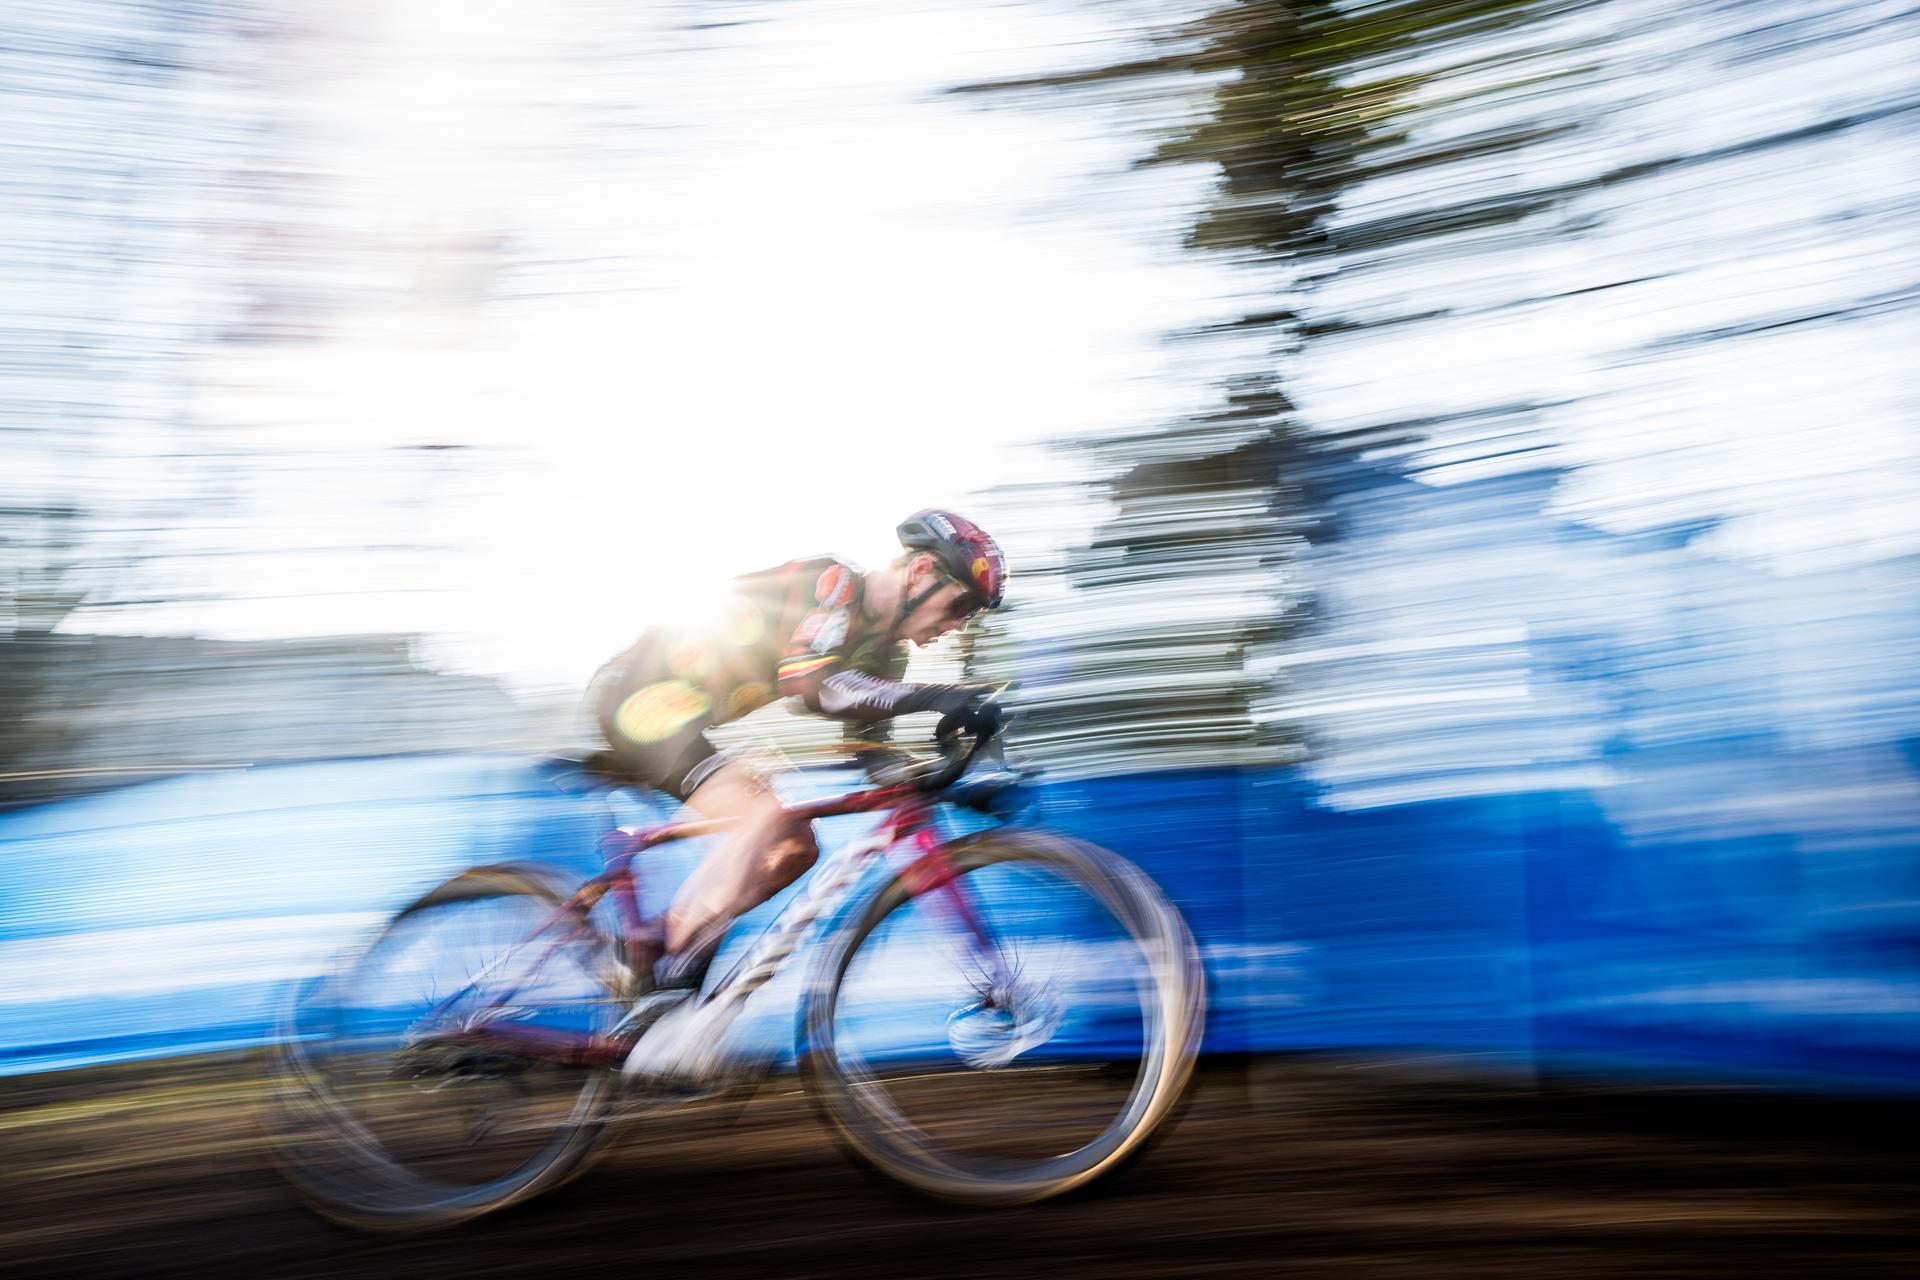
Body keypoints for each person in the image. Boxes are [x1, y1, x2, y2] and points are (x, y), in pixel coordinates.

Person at [588, 508, 1007, 999]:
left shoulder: (884, 653)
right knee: (762, 815)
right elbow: (814, 684)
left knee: (795, 846)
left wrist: (953, 777)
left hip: (688, 716)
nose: (958, 625)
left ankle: (666, 966)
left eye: (970, 616)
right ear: (920, 572)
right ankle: (662, 967)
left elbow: (872, 756)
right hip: (642, 696)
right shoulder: (832, 584)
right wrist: (939, 697)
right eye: (960, 605)